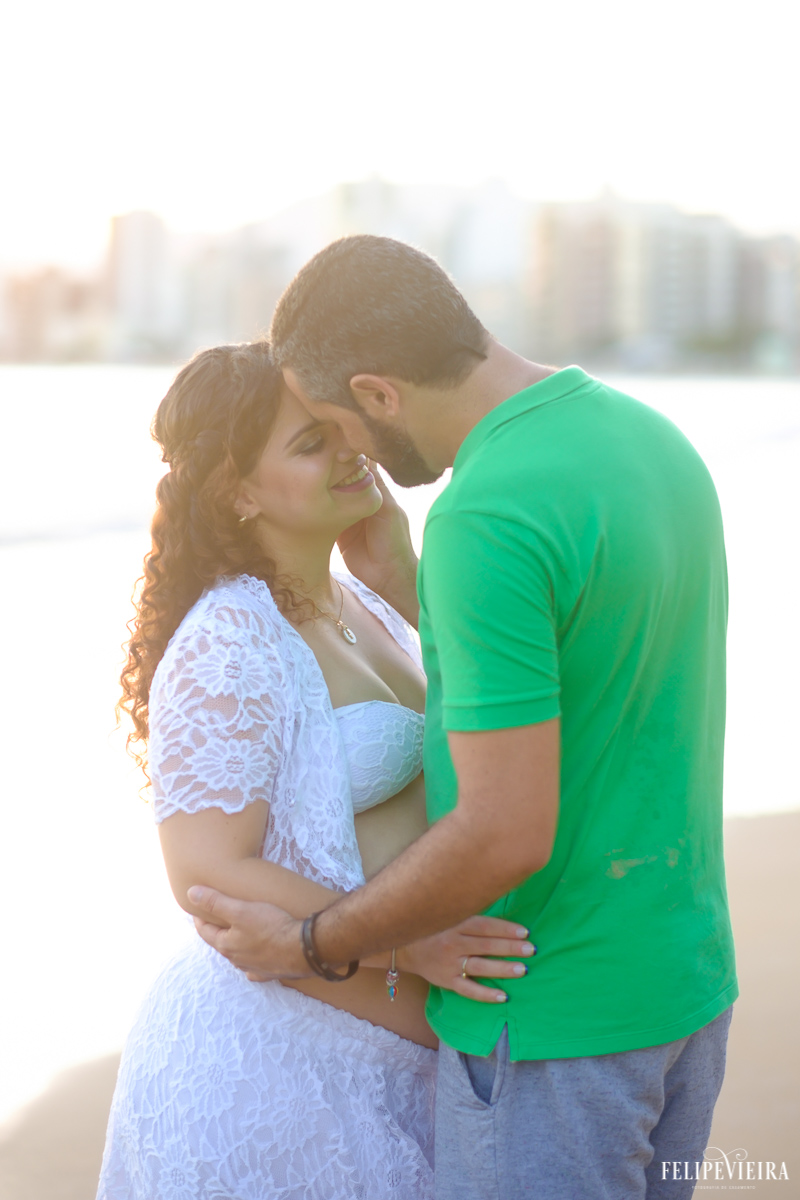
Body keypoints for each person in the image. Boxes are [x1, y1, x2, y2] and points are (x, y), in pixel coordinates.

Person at [190, 237, 739, 1200]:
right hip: (684, 991)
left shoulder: (485, 519)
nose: (355, 455)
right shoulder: (647, 437)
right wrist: (410, 588)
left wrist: (314, 944)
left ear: (379, 391)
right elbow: (599, 683)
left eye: (337, 424)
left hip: (552, 1021)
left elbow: (503, 830)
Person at [96, 342, 532, 1200]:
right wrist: (412, 941)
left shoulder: (360, 600)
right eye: (309, 443)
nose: (349, 449)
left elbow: (477, 717)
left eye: (341, 426)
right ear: (237, 492)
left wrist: (404, 582)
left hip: (385, 1067)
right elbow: (209, 873)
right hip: (272, 1073)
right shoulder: (228, 638)